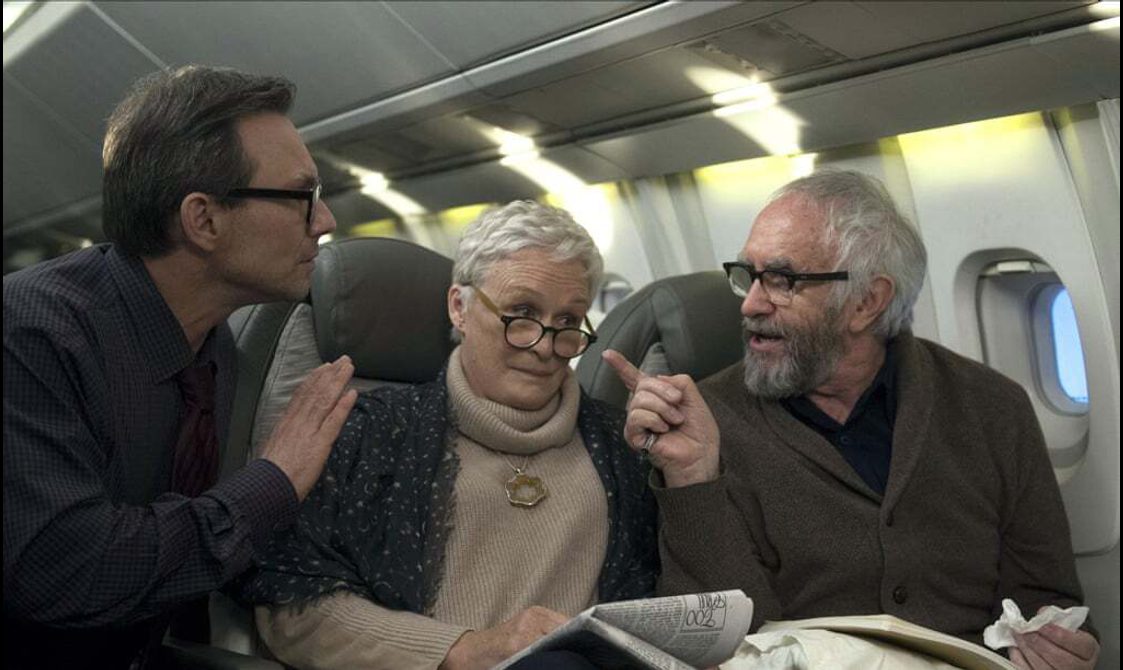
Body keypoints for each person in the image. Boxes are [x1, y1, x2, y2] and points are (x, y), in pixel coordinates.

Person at [604, 169, 1100, 669]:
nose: (750, 304)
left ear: (866, 302)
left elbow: (1044, 597)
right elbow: (718, 640)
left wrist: (1061, 646)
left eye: (781, 280)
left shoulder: (993, 407)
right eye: (747, 276)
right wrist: (693, 480)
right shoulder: (704, 424)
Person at [3, 65, 357, 669]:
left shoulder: (215, 347)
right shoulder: (31, 335)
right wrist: (275, 478)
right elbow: (69, 573)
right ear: (204, 220)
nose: (324, 222)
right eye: (304, 197)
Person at [242, 201, 658, 670]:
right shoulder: (367, 431)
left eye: (567, 323)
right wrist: (460, 649)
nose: (544, 346)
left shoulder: (618, 443)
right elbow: (293, 609)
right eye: (521, 313)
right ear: (459, 307)